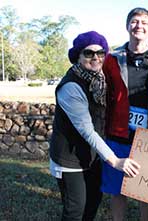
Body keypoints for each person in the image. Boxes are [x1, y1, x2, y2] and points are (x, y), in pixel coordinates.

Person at [49, 31, 140, 221]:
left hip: (91, 156)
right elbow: (86, 129)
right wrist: (115, 161)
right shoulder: (71, 87)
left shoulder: (99, 80)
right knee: (75, 209)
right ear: (78, 56)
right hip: (70, 158)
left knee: (93, 202)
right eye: (88, 53)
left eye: (100, 53)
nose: (96, 57)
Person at [101, 7, 148, 221]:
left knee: (146, 188)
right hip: (118, 131)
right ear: (127, 26)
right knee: (117, 188)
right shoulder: (112, 58)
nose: (138, 26)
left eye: (143, 22)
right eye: (134, 21)